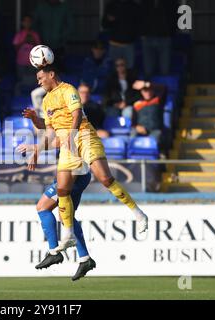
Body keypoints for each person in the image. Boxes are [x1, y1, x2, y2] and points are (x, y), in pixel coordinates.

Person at [31, 64, 148, 251]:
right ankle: (68, 235)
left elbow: (77, 114)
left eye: (40, 78)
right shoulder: (46, 102)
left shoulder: (68, 89)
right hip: (68, 145)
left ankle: (139, 213)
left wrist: (72, 134)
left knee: (105, 179)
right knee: (62, 190)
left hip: (84, 136)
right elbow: (51, 133)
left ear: (51, 74)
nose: (38, 82)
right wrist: (36, 141)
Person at [18, 108, 96, 281]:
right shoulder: (64, 114)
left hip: (73, 172)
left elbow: (58, 141)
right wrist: (33, 119)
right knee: (66, 216)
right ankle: (85, 259)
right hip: (78, 173)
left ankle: (54, 251)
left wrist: (35, 148)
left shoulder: (75, 122)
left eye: (40, 78)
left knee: (43, 207)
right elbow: (48, 127)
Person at [33, 0, 74, 72]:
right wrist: (39, 38)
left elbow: (70, 25)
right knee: (44, 71)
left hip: (60, 45)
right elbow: (35, 23)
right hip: (43, 45)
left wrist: (62, 37)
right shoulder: (41, 7)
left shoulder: (64, 7)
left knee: (59, 71)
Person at [140, 0, 177, 78]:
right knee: (148, 71)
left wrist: (170, 33)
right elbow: (139, 16)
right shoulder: (145, 2)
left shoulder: (169, 2)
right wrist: (142, 33)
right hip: (148, 38)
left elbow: (175, 16)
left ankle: (163, 89)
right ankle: (147, 89)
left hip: (164, 38)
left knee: (165, 70)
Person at [101, 0, 142, 69]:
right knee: (113, 70)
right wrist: (108, 20)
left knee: (129, 70)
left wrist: (133, 36)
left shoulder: (134, 6)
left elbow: (139, 24)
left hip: (129, 44)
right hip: (114, 44)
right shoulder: (111, 5)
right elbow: (104, 25)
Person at [13, 14, 41, 95]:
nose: (27, 23)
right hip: (21, 63)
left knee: (35, 82)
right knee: (20, 82)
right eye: (25, 21)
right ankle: (19, 99)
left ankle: (33, 98)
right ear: (22, 23)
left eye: (29, 21)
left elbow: (40, 50)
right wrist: (24, 41)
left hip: (33, 63)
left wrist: (33, 41)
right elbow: (15, 48)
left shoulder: (35, 34)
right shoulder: (19, 34)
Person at [131, 81, 164, 145]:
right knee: (133, 135)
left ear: (153, 91)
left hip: (154, 130)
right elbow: (133, 122)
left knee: (153, 140)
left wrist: (145, 84)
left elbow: (163, 88)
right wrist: (137, 127)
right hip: (141, 129)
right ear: (141, 92)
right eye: (145, 91)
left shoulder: (157, 100)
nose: (148, 93)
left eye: (149, 90)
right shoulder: (137, 104)